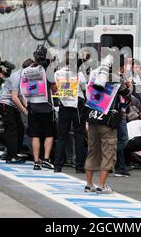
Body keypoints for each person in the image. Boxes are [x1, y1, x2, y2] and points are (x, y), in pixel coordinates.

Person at [84, 56, 132, 194]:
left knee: (92, 151)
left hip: (92, 117)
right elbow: (128, 95)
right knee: (108, 152)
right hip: (107, 120)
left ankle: (89, 184)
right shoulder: (117, 78)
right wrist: (128, 85)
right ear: (119, 66)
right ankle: (102, 185)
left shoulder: (95, 74)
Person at [19, 46, 57, 171]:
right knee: (49, 134)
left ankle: (36, 161)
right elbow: (54, 88)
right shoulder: (47, 70)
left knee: (34, 135)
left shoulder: (26, 70)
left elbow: (23, 88)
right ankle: (46, 159)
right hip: (46, 106)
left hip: (32, 106)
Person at [53, 53, 87, 173]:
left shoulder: (57, 73)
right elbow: (84, 86)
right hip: (77, 105)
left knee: (62, 136)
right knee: (79, 135)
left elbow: (56, 87)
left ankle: (57, 166)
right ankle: (79, 166)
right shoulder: (78, 73)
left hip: (64, 104)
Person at [0, 60, 28, 164]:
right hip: (4, 103)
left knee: (20, 128)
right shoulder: (16, 77)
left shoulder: (24, 77)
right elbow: (14, 97)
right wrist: (25, 111)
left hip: (11, 104)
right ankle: (11, 155)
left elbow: (21, 95)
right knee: (12, 128)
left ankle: (13, 152)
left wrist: (27, 107)